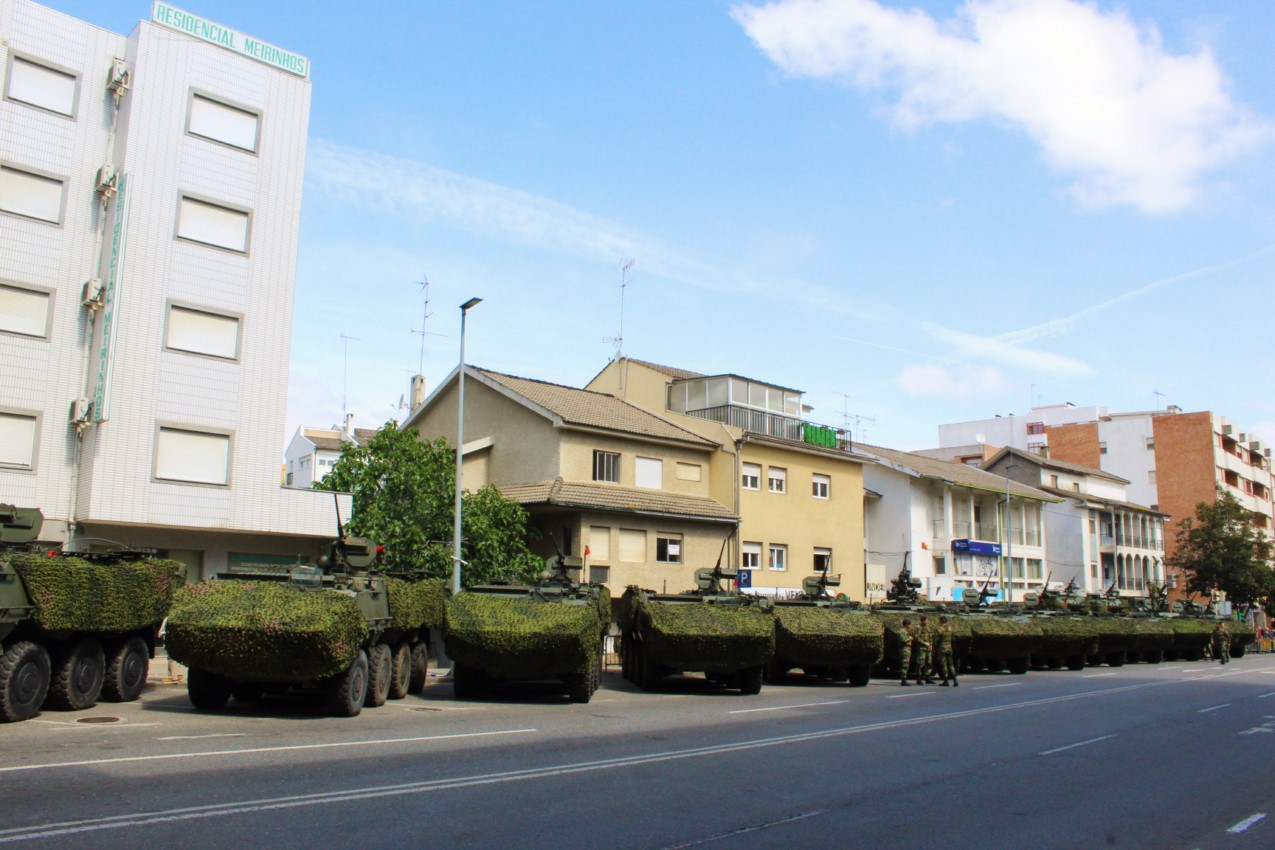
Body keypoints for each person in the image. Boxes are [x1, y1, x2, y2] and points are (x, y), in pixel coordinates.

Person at [934, 614, 958, 687]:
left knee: (944, 665)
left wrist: (935, 648)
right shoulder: (950, 629)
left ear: (941, 621)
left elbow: (935, 640)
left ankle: (946, 681)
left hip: (942, 649)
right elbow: (953, 639)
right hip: (949, 648)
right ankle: (955, 680)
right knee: (951, 665)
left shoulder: (939, 629)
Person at [915, 615, 935, 685]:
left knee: (929, 663)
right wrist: (924, 643)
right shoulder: (918, 628)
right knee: (920, 663)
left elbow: (930, 637)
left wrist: (931, 645)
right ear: (923, 621)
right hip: (921, 648)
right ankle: (918, 679)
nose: (927, 621)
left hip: (928, 648)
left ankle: (928, 677)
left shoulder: (927, 627)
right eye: (926, 620)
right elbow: (917, 638)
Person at [898, 619, 916, 686]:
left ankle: (904, 679)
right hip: (904, 649)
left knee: (906, 664)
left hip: (907, 649)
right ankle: (903, 680)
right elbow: (903, 640)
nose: (910, 626)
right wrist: (910, 638)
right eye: (910, 624)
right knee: (904, 664)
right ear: (906, 625)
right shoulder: (902, 631)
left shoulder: (906, 631)